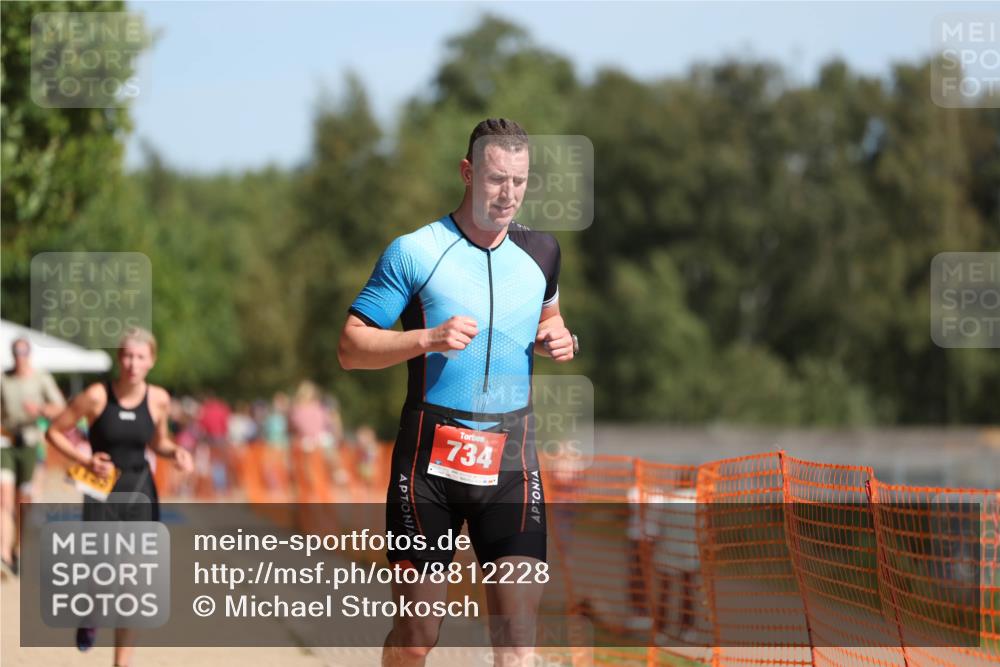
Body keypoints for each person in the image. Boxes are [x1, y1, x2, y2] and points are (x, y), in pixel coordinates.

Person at [338, 118, 577, 667]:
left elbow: (551, 320)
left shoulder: (542, 252)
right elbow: (350, 347)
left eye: (519, 181)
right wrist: (427, 338)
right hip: (428, 466)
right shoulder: (415, 252)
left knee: (518, 643)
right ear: (468, 173)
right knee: (417, 636)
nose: (508, 194)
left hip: (512, 463)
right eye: (496, 179)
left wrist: (562, 338)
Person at [46, 326, 193, 665]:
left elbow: (158, 441)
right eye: (127, 356)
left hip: (140, 491)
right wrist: (85, 459)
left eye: (140, 357)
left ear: (151, 361)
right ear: (118, 358)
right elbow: (54, 431)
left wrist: (176, 452)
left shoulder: (158, 399)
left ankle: (121, 663)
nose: (133, 364)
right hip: (102, 492)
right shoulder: (97, 396)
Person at [0, 337, 66, 577]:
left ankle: (18, 548)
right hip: (6, 442)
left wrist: (40, 410)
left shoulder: (41, 379)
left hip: (31, 443)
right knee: (4, 499)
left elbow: (60, 407)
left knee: (24, 501)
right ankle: (3, 556)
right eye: (16, 351)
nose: (20, 356)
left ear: (29, 353)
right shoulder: (4, 379)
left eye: (24, 351)